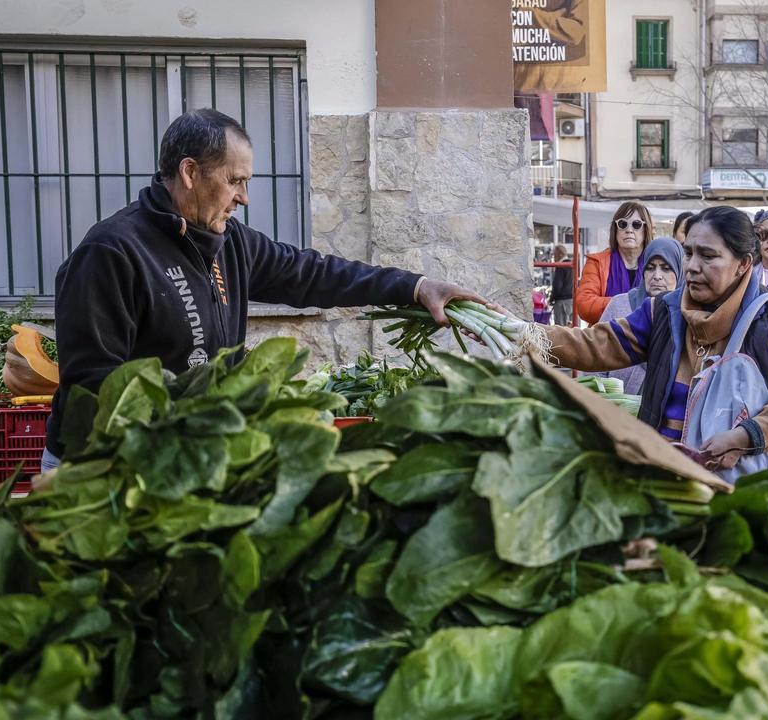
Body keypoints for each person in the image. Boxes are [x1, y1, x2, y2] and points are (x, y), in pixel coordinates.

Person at [42, 109, 488, 469]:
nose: (244, 197)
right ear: (190, 172)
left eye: (246, 183)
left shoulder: (229, 242)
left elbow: (314, 274)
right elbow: (93, 391)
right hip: (105, 468)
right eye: (234, 181)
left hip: (192, 459)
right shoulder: (112, 253)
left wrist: (415, 287)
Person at [545, 206, 768, 473]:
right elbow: (598, 344)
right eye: (688, 253)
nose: (692, 267)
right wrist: (527, 334)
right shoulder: (664, 311)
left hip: (742, 486)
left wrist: (746, 436)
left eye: (708, 256)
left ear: (743, 264)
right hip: (664, 478)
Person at [591, 237, 683, 395]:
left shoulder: (686, 316)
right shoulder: (620, 305)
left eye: (666, 268)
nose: (657, 276)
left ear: (680, 272)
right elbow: (595, 358)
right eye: (650, 268)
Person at [575, 201, 654, 324]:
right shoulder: (596, 262)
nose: (629, 230)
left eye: (636, 225)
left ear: (646, 230)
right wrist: (626, 303)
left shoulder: (655, 263)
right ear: (615, 229)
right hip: (605, 335)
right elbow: (584, 306)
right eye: (623, 224)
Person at [550, 244, 574, 326]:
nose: (554, 257)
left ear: (560, 254)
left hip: (562, 302)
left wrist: (551, 299)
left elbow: (557, 286)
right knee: (571, 327)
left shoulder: (561, 266)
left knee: (561, 328)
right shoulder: (572, 265)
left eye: (555, 254)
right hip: (572, 301)